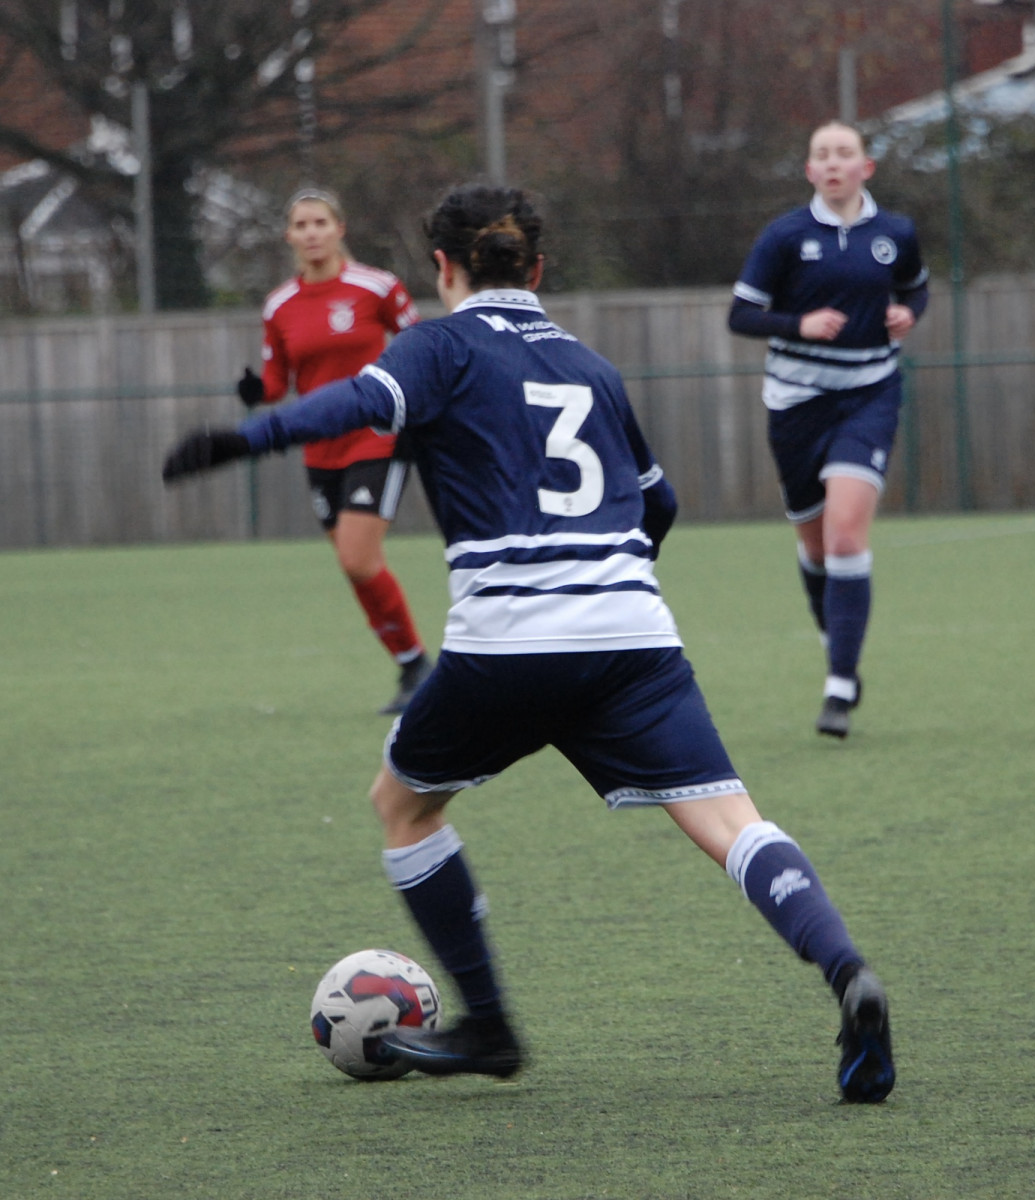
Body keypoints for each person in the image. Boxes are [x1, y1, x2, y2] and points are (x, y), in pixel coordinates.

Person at [163, 184, 896, 1104]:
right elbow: (659, 503)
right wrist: (607, 587)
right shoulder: (593, 366)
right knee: (729, 822)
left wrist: (242, 440)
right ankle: (845, 971)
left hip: (508, 641)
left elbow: (351, 403)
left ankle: (491, 1024)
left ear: (442, 269)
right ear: (538, 270)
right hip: (634, 638)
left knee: (404, 806)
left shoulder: (436, 345)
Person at [728, 121, 929, 739]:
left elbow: (916, 293)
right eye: (822, 155)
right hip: (796, 402)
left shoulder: (895, 233)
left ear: (866, 167)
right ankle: (835, 638)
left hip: (869, 393)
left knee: (845, 537)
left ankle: (840, 684)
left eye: (845, 153)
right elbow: (741, 315)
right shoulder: (785, 236)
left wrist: (906, 314)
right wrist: (798, 323)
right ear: (810, 171)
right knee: (815, 547)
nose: (834, 163)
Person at [239, 187, 432, 715]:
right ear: (289, 236)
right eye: (301, 225)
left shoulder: (376, 288)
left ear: (339, 228)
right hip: (319, 448)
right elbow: (279, 380)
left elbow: (420, 348)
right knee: (354, 567)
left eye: (320, 222)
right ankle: (412, 663)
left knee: (358, 556)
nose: (311, 233)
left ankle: (421, 668)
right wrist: (258, 391)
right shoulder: (280, 304)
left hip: (377, 435)